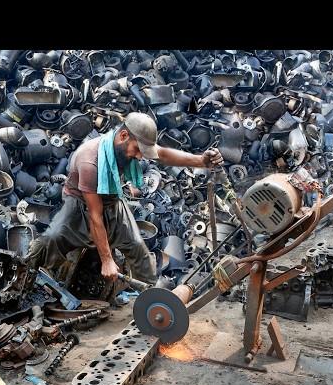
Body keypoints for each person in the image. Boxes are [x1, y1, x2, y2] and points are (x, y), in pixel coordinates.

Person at [26, 112, 223, 285]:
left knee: (138, 248)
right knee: (51, 241)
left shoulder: (126, 147)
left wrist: (201, 161)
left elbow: (162, 154)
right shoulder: (90, 160)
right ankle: (27, 275)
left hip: (111, 199)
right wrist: (107, 259)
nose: (139, 157)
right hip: (79, 204)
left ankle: (149, 299)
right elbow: (95, 216)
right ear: (123, 136)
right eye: (137, 150)